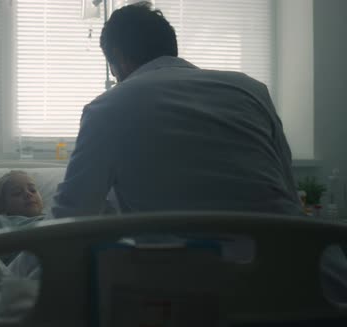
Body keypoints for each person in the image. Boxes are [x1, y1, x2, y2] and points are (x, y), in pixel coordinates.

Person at [52, 2, 301, 218]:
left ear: (118, 57)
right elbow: (288, 187)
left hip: (180, 265)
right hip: (289, 259)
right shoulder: (252, 90)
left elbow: (72, 213)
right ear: (170, 46)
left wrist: (14, 271)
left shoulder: (106, 108)